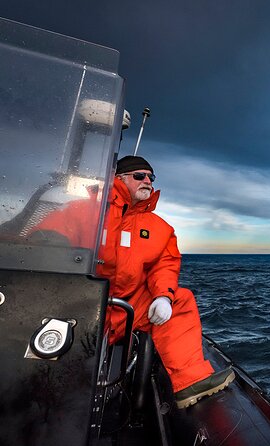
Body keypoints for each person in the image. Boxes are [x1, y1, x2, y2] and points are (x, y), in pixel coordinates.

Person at [36, 155, 235, 409]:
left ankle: (191, 381)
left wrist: (163, 296)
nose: (148, 181)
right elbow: (44, 237)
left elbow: (165, 264)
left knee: (181, 299)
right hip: (76, 305)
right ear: (117, 179)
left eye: (151, 177)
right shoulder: (85, 213)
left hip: (125, 311)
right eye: (139, 176)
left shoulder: (160, 228)